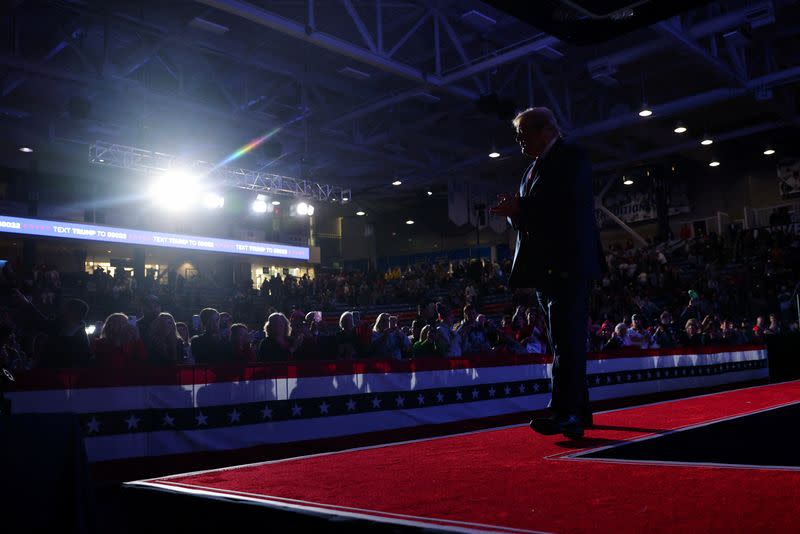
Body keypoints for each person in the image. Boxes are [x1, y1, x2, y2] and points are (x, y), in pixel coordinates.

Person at [490, 107, 604, 439]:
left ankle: (565, 412)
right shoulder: (531, 170)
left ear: (546, 130)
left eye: (523, 133)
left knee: (567, 341)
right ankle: (578, 410)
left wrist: (521, 208)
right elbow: (533, 214)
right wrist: (515, 213)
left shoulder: (572, 156)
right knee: (562, 340)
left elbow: (566, 203)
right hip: (547, 267)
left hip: (568, 261)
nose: (518, 140)